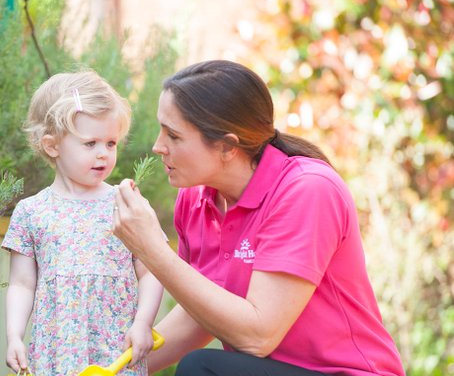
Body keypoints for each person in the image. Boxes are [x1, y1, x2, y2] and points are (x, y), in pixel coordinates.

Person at [112, 60, 405, 376]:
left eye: (174, 136)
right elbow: (198, 316)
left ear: (227, 146)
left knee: (202, 369)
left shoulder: (306, 190)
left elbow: (257, 336)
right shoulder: (196, 199)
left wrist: (151, 250)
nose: (158, 146)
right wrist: (113, 371)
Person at [2, 70, 164, 376]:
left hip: (116, 352)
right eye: (90, 144)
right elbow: (22, 284)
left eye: (111, 143)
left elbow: (152, 270)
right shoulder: (31, 212)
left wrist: (143, 323)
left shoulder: (128, 202)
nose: (103, 153)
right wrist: (14, 336)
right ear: (52, 146)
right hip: (56, 355)